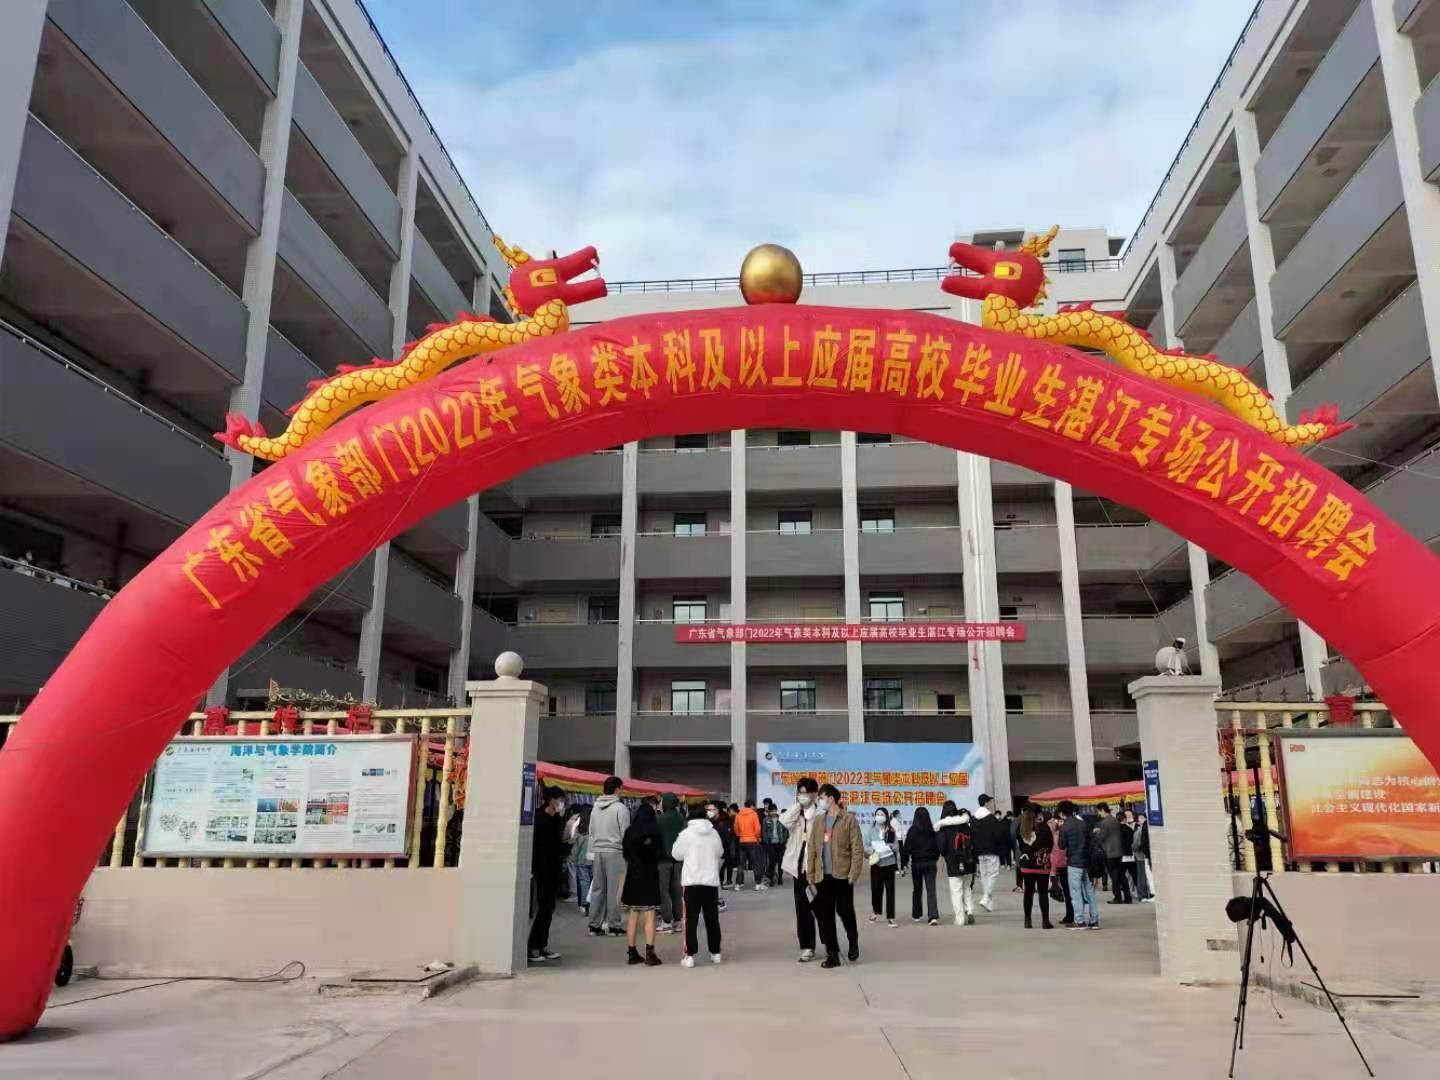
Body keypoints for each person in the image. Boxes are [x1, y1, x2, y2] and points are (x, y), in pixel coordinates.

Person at [806, 784, 864, 968]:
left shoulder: (848, 820)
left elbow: (857, 848)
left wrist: (854, 873)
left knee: (845, 911)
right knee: (826, 915)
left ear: (831, 799)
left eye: (821, 798)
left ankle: (853, 939)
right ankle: (833, 954)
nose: (819, 801)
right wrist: (810, 872)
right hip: (823, 876)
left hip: (843, 874)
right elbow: (812, 848)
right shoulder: (819, 821)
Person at [671, 804, 725, 967]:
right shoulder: (714, 833)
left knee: (690, 920)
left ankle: (689, 955)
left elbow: (676, 854)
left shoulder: (686, 834)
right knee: (712, 919)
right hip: (710, 881)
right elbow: (720, 852)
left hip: (691, 881)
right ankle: (715, 952)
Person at [780, 778, 820, 962]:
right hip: (799, 869)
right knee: (802, 909)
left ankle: (829, 944)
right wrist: (799, 805)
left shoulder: (821, 813)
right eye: (800, 793)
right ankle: (807, 946)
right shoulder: (797, 813)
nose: (802, 796)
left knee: (821, 908)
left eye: (806, 793)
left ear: (814, 794)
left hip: (816, 869)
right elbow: (784, 820)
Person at [620, 801, 664, 966]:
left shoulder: (629, 831)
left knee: (633, 914)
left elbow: (625, 853)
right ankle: (650, 954)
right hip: (649, 875)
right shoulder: (655, 831)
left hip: (633, 875)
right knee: (650, 914)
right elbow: (660, 853)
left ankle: (632, 953)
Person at [527, 786, 567, 964]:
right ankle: (532, 947)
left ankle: (542, 945)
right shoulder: (539, 818)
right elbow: (537, 846)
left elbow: (557, 844)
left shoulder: (557, 818)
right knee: (543, 908)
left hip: (554, 868)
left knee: (550, 908)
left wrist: (567, 846)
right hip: (541, 869)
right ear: (551, 800)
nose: (561, 803)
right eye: (559, 800)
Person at [587, 776, 631, 937]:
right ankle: (614, 925)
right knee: (615, 890)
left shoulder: (595, 808)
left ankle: (594, 925)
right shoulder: (620, 808)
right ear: (618, 789)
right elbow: (626, 833)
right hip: (615, 852)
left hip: (598, 851)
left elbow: (591, 831)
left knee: (598, 889)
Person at [1058, 801, 1099, 929]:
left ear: (1062, 813)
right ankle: (1094, 920)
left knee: (1075, 893)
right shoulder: (1084, 824)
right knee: (1090, 892)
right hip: (1087, 862)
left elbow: (1061, 845)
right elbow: (1092, 841)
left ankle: (1079, 920)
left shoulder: (1065, 826)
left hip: (1074, 863)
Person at [936, 801, 977, 926]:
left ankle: (960, 919)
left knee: (956, 891)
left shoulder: (943, 827)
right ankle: (970, 910)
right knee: (967, 888)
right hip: (968, 861)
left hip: (953, 863)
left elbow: (942, 848)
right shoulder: (965, 824)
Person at [901, 806, 941, 925]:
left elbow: (906, 848)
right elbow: (937, 847)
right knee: (931, 889)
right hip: (930, 863)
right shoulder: (932, 831)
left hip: (917, 863)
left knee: (917, 889)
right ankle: (932, 916)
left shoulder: (912, 831)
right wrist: (934, 858)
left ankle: (916, 914)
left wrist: (904, 863)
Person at [1016, 807, 1054, 929]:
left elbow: (1020, 845)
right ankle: (1045, 921)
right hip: (1042, 864)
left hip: (1027, 865)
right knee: (1043, 893)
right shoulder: (1044, 827)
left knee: (1028, 892)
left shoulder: (1021, 827)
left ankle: (1027, 920)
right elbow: (1051, 844)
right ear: (1038, 814)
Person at [971, 794, 1009, 912]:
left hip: (979, 851)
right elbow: (998, 835)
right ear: (986, 803)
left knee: (985, 875)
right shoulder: (991, 818)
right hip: (991, 850)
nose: (992, 804)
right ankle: (986, 897)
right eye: (990, 802)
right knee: (993, 874)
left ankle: (988, 903)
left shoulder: (974, 818)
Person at [656, 793, 687, 933]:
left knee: (663, 891)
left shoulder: (659, 819)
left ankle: (666, 920)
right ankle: (678, 920)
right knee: (677, 891)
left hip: (663, 860)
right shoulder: (681, 819)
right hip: (679, 860)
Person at [865, 807, 898, 927]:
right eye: (877, 814)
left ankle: (891, 917)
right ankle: (875, 911)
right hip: (876, 863)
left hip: (889, 863)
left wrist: (890, 847)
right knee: (876, 889)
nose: (879, 817)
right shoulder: (871, 830)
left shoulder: (891, 830)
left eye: (881, 814)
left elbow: (896, 846)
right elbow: (866, 845)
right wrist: (873, 850)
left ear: (886, 817)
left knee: (890, 891)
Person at [1097, 803, 1132, 905]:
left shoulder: (1104, 822)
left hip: (1110, 852)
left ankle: (1117, 897)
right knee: (1122, 875)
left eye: (1098, 811)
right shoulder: (1115, 820)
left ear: (1102, 810)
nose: (1098, 814)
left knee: (1114, 876)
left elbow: (1101, 837)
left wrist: (1097, 833)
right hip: (1119, 851)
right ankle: (1127, 897)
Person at [565, 805, 593, 915]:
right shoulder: (596, 831)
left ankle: (585, 904)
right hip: (595, 859)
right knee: (594, 882)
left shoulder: (580, 831)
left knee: (584, 882)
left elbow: (576, 848)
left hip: (582, 860)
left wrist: (572, 858)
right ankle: (593, 904)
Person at [734, 799, 766, 889]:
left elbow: (736, 827)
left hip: (742, 841)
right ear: (752, 806)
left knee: (741, 864)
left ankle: (738, 884)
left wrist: (740, 835)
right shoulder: (754, 814)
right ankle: (758, 884)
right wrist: (757, 838)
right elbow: (757, 829)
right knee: (755, 863)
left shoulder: (738, 815)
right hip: (752, 841)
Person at [1049, 811, 1074, 925]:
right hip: (1068, 865)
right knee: (1070, 892)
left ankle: (1070, 915)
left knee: (1068, 893)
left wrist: (1053, 871)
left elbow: (1056, 854)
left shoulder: (1057, 835)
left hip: (1063, 866)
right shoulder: (1062, 834)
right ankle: (1071, 914)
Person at [1131, 809, 1155, 902]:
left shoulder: (1138, 831)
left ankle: (1142, 894)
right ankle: (1145, 894)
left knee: (1141, 875)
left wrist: (1133, 847)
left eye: (1142, 818)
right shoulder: (1143, 830)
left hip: (1140, 855)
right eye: (1140, 818)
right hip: (1143, 855)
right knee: (1144, 875)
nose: (1141, 820)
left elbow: (1136, 844)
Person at [763, 801, 787, 885]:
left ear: (777, 810)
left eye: (775, 810)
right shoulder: (766, 820)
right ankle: (772, 878)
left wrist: (784, 840)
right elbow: (764, 832)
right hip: (771, 844)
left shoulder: (781, 819)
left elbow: (785, 831)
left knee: (780, 861)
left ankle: (780, 877)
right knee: (772, 862)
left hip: (780, 844)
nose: (773, 812)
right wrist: (766, 841)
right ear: (769, 812)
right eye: (772, 811)